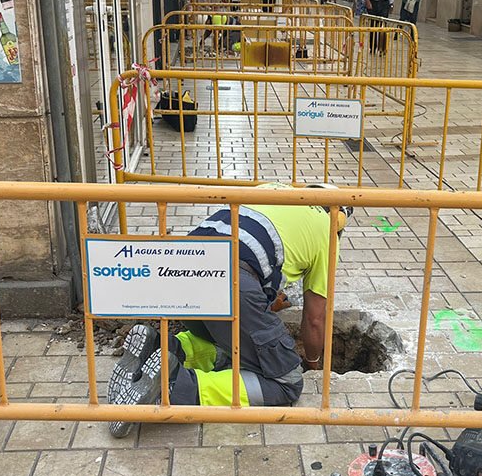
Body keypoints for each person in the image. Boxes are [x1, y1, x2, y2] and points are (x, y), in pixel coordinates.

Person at [107, 184, 352, 438]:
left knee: (231, 346)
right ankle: (171, 385)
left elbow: (259, 249)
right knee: (287, 382)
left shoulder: (276, 190)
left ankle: (160, 348)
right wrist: (313, 365)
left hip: (183, 265)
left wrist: (268, 306)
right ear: (339, 221)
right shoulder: (327, 231)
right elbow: (315, 319)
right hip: (230, 279)